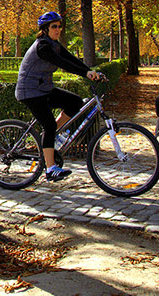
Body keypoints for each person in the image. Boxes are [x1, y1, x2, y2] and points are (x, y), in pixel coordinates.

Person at [15, 11, 102, 182]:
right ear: (45, 29)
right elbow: (61, 63)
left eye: (59, 26)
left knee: (75, 102)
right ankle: (50, 169)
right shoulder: (43, 46)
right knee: (48, 125)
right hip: (30, 91)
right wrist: (85, 73)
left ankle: (53, 135)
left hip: (44, 89)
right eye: (54, 26)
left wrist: (90, 71)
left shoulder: (54, 44)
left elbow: (70, 59)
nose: (58, 29)